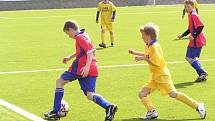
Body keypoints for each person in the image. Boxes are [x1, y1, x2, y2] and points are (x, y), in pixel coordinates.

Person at [128, 23, 206, 120]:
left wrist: (142, 58)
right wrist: (135, 52)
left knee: (173, 94)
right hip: (156, 77)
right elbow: (147, 54)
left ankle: (198, 106)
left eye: (142, 35)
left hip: (162, 76)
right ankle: (151, 112)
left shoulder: (155, 46)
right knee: (142, 93)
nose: (141, 37)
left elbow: (155, 62)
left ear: (148, 36)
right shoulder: (149, 45)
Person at [44, 20, 118, 121]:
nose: (68, 36)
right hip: (92, 67)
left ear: (70, 29)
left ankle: (56, 111)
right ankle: (109, 107)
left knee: (59, 81)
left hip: (81, 67)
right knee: (90, 95)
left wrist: (86, 66)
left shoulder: (79, 37)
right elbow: (86, 50)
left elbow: (91, 50)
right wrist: (70, 57)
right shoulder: (84, 34)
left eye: (67, 33)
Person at [178, 0, 207, 82]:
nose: (186, 9)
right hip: (196, 39)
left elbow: (201, 26)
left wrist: (193, 36)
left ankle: (202, 73)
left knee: (189, 58)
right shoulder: (191, 14)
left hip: (196, 40)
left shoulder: (193, 15)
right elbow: (191, 28)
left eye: (188, 7)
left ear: (193, 6)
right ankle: (202, 74)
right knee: (191, 58)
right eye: (186, 7)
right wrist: (183, 35)